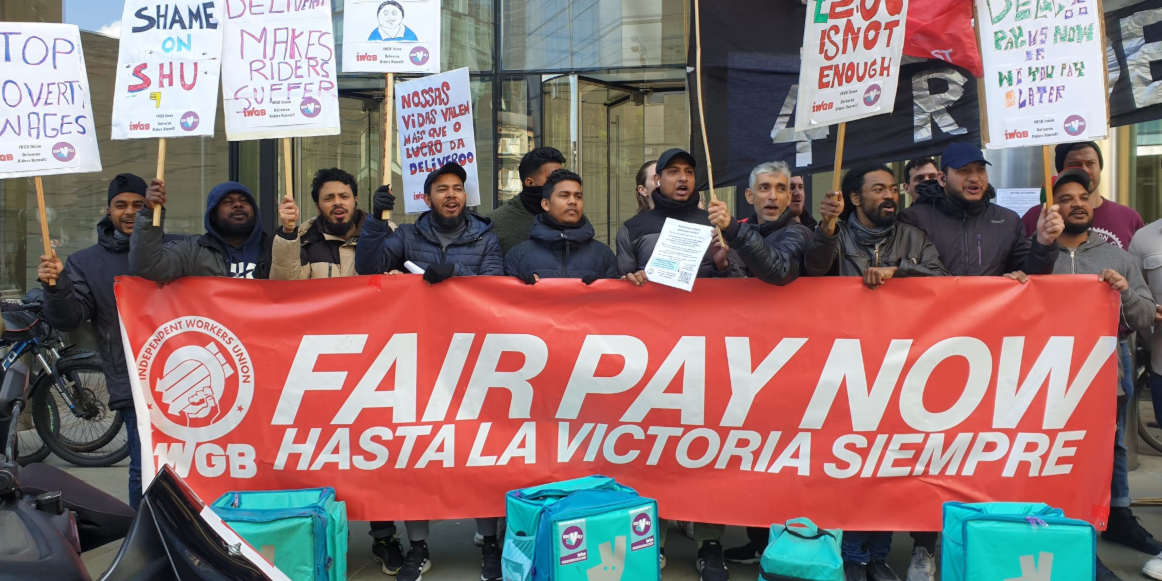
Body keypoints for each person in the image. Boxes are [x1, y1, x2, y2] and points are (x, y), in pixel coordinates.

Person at [355, 162, 503, 581]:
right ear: (427, 197)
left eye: (458, 189)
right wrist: (374, 222)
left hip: (471, 358)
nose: (451, 196)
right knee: (416, 451)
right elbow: (367, 268)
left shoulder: (485, 237)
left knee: (480, 453)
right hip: (418, 358)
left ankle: (488, 541)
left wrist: (457, 275)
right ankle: (418, 547)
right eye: (442, 189)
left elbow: (497, 286)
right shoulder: (404, 236)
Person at [803, 165, 945, 581]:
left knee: (888, 464)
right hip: (845, 365)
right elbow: (813, 269)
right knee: (847, 462)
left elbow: (943, 280)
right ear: (854, 198)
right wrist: (827, 228)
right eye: (878, 189)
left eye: (892, 189)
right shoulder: (836, 234)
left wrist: (900, 274)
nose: (890, 196)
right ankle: (851, 551)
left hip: (902, 366)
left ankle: (878, 553)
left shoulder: (914, 238)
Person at [35, 174, 181, 510]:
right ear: (108, 209)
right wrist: (55, 288)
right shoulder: (85, 263)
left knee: (186, 469)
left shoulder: (175, 249)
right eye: (121, 205)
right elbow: (69, 318)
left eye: (138, 205)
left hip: (179, 376)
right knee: (143, 468)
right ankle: (141, 541)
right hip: (130, 382)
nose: (129, 212)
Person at [1047, 169, 1156, 581]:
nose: (1076, 202)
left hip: (1102, 377)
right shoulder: (1038, 255)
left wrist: (1123, 291)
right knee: (1056, 461)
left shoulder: (1119, 258)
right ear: (1052, 207)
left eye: (1084, 196)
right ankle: (1062, 541)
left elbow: (1145, 316)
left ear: (1093, 204)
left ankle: (1087, 547)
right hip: (1047, 381)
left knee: (1100, 460)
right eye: (1066, 197)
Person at [898, 142, 1061, 277]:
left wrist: (1043, 243)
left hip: (991, 316)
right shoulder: (915, 220)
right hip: (935, 315)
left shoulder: (1008, 221)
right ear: (942, 178)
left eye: (980, 169)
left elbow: (1031, 274)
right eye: (964, 171)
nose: (975, 178)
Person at [617, 148, 739, 287]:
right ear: (658, 179)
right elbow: (623, 289)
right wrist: (635, 279)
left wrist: (722, 265)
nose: (683, 178)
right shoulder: (631, 229)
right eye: (673, 171)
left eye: (689, 172)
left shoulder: (716, 224)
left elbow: (741, 287)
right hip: (656, 307)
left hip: (704, 307)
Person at [130, 180, 272, 281]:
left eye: (244, 201)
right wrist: (149, 212)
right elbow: (150, 267)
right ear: (213, 215)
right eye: (228, 202)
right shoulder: (193, 251)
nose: (238, 204)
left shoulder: (273, 249)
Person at [1021, 142, 1144, 250]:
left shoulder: (1129, 218)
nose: (1085, 170)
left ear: (1100, 167)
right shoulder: (1037, 216)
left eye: (1090, 163)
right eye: (1075, 164)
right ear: (1061, 171)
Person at [707, 160, 811, 285]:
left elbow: (780, 271)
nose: (773, 196)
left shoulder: (799, 233)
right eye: (764, 188)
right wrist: (723, 265)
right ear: (749, 196)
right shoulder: (738, 236)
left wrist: (733, 228)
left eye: (780, 189)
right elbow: (741, 290)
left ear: (788, 198)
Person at [505, 169, 618, 281]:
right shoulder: (518, 256)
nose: (573, 201)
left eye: (578, 196)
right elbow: (505, 296)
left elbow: (616, 297)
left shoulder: (603, 255)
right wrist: (521, 287)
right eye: (564, 195)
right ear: (546, 204)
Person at [271, 168, 382, 280]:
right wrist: (288, 233)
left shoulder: (382, 234)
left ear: (355, 200)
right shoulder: (304, 241)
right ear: (317, 206)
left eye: (344, 196)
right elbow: (286, 287)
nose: (337, 202)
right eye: (329, 198)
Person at [492, 147, 566, 253]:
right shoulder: (497, 224)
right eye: (553, 178)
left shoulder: (570, 216)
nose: (560, 184)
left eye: (562, 177)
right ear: (530, 182)